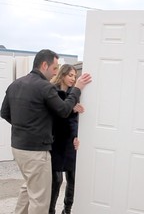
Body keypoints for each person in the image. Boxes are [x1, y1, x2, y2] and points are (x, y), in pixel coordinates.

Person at [0, 49, 92, 214]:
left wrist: (26, 127)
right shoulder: (45, 87)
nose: (55, 72)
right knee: (40, 199)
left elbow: (5, 113)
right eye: (55, 68)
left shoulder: (16, 84)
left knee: (28, 187)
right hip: (35, 152)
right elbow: (64, 110)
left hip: (18, 148)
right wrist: (77, 89)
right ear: (44, 65)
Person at [49, 64, 83, 214]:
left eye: (75, 76)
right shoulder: (52, 92)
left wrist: (76, 136)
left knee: (73, 178)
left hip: (69, 142)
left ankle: (67, 210)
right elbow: (55, 116)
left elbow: (74, 120)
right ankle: (50, 210)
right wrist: (71, 109)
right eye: (70, 75)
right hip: (55, 141)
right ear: (62, 74)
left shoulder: (74, 94)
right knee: (57, 180)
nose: (73, 79)